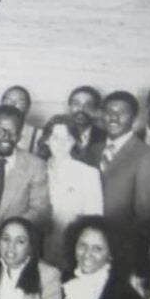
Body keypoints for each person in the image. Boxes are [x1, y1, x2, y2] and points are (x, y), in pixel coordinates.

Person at [0, 105, 51, 257]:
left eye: (13, 131)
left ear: (20, 134)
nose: (6, 136)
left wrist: (1, 231)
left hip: (18, 250)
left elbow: (40, 211)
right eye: (0, 130)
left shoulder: (36, 165)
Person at [36, 115, 103, 271]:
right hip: (38, 248)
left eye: (67, 139)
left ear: (74, 142)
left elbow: (94, 220)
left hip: (72, 250)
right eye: (55, 138)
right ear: (46, 140)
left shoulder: (88, 173)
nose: (61, 144)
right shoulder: (36, 170)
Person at [87, 91, 150, 227]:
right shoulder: (94, 149)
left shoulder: (148, 156)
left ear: (134, 118)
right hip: (92, 236)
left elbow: (149, 215)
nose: (114, 118)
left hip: (123, 240)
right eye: (108, 111)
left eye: (122, 112)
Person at [66, 85, 106, 162]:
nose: (81, 109)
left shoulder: (103, 137)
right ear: (69, 107)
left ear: (96, 110)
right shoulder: (59, 130)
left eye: (88, 105)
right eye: (76, 104)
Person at [1, 85, 41, 153]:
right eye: (8, 101)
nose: (12, 105)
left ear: (28, 107)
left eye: (20, 103)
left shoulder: (38, 135)